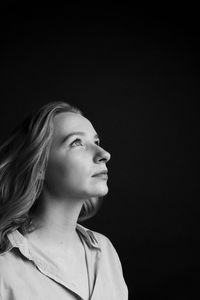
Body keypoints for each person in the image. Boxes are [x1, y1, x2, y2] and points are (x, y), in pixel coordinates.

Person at [0, 101, 128, 300]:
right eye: (77, 142)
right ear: (39, 167)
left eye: (97, 142)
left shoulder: (106, 251)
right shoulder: (5, 267)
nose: (104, 154)